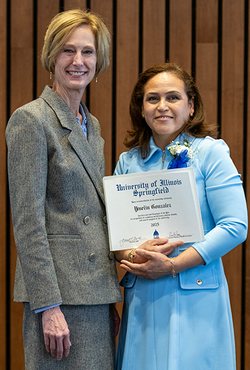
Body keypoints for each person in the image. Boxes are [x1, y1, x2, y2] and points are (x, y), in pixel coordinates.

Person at [6, 9, 122, 370]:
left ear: (98, 60)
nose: (78, 61)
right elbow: (28, 222)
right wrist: (48, 306)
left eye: (87, 52)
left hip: (96, 294)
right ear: (51, 57)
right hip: (60, 299)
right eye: (67, 50)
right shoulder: (31, 119)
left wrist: (109, 298)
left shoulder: (92, 125)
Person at [114, 62, 248, 370]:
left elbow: (235, 226)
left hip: (196, 294)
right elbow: (117, 234)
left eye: (173, 97)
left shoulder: (210, 153)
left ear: (190, 106)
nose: (162, 106)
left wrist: (173, 265)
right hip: (144, 296)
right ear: (142, 108)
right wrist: (133, 253)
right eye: (152, 99)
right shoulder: (127, 162)